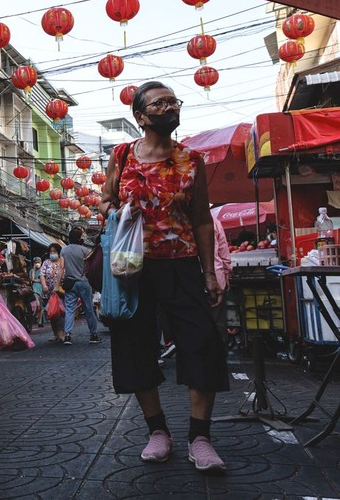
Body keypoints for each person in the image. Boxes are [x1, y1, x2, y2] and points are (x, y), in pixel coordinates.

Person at [98, 81, 229, 472]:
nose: (170, 108)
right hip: (132, 267)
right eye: (160, 103)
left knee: (202, 342)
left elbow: (203, 219)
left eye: (174, 102)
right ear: (141, 116)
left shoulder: (192, 160)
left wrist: (210, 272)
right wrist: (114, 212)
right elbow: (105, 199)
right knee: (135, 346)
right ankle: (157, 431)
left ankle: (199, 437)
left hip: (183, 263)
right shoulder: (121, 155)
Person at [60, 227, 101, 345]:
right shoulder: (84, 250)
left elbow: (62, 268)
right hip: (84, 282)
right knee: (88, 308)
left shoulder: (64, 250)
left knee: (69, 309)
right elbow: (89, 266)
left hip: (70, 283)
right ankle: (93, 335)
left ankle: (67, 335)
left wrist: (58, 284)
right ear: (79, 238)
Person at [213, 218, 233, 346]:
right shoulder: (214, 222)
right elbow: (223, 251)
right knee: (218, 321)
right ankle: (219, 360)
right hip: (217, 275)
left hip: (191, 279)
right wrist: (227, 273)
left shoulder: (183, 221)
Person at [40, 243, 64, 343]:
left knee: (61, 313)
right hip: (48, 293)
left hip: (60, 292)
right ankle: (55, 334)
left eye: (54, 251)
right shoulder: (46, 263)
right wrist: (44, 285)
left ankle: (62, 333)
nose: (52, 253)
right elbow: (42, 275)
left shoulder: (62, 262)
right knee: (52, 313)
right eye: (51, 252)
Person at [29, 256, 46, 328]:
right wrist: (34, 269)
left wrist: (37, 280)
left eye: (38, 262)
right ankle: (34, 318)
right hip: (34, 289)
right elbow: (32, 279)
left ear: (41, 262)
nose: (37, 264)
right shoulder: (32, 271)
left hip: (41, 289)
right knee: (37, 305)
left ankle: (40, 321)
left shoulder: (43, 270)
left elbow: (43, 280)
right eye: (36, 262)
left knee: (41, 306)